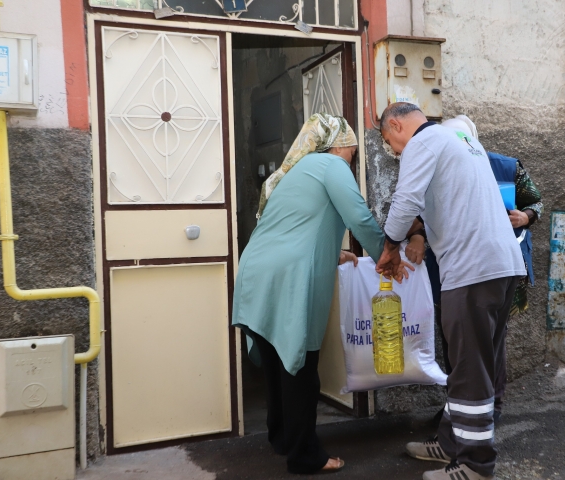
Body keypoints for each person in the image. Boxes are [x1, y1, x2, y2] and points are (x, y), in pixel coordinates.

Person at [232, 113, 411, 475]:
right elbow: (359, 217)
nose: (353, 159)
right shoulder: (331, 164)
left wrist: (341, 254)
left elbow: (300, 226)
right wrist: (387, 256)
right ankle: (305, 456)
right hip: (288, 277)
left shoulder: (297, 172)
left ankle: (282, 438)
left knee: (277, 363)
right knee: (300, 366)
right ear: (339, 144)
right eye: (353, 152)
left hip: (256, 272)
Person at [375, 103, 526, 480]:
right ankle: (450, 442)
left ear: (396, 124)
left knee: (470, 366)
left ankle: (476, 465)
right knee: (477, 361)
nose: (393, 150)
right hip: (502, 265)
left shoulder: (422, 144)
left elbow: (405, 202)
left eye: (388, 141)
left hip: (472, 270)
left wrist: (390, 246)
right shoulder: (459, 139)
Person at [406, 115, 544, 426]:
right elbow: (420, 212)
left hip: (492, 268)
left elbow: (536, 201)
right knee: (460, 343)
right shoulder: (438, 164)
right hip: (455, 268)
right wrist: (415, 233)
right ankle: (460, 410)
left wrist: (526, 216)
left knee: (488, 344)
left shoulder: (506, 167)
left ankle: (486, 410)